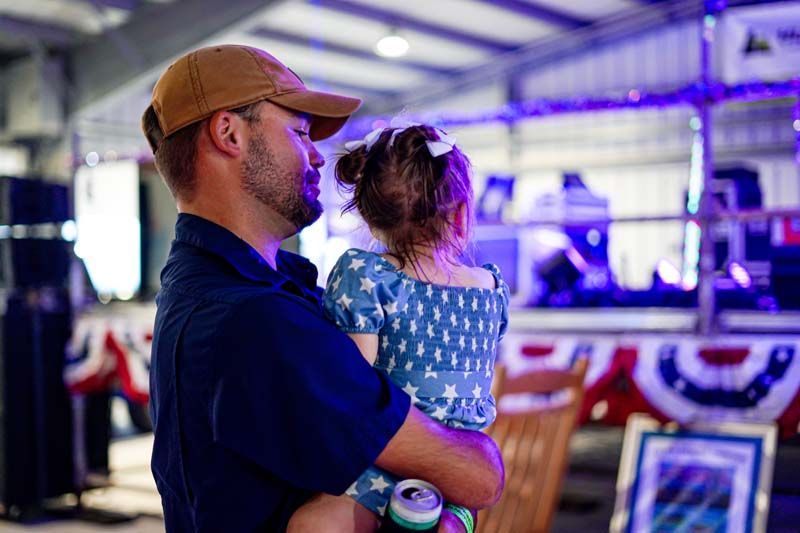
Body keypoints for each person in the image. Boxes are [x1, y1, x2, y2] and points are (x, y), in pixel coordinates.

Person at [141, 44, 503, 533]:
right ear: (229, 133)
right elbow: (477, 477)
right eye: (299, 132)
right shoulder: (255, 320)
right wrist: (477, 448)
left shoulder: (204, 285)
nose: (315, 156)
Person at [289, 124, 509, 529]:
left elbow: (351, 393)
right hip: (458, 474)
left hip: (385, 472)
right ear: (461, 215)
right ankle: (451, 518)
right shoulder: (490, 289)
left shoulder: (369, 276)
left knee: (308, 525)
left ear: (372, 216)